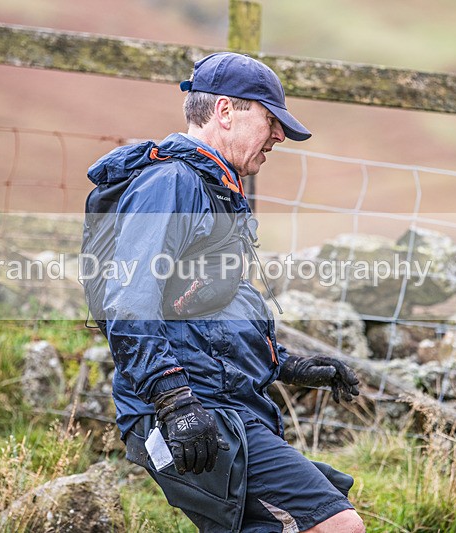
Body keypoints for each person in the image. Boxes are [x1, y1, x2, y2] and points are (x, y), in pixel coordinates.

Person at [84, 52, 365, 532]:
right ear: (225, 111)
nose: (278, 135)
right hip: (191, 409)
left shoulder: (216, 188)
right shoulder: (171, 184)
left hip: (219, 404)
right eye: (270, 119)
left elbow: (209, 317)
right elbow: (129, 302)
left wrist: (288, 364)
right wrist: (174, 400)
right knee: (335, 525)